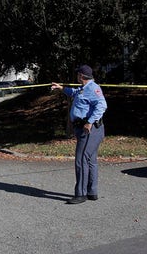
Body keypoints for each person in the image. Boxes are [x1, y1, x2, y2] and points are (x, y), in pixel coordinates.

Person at [51, 65, 107, 204]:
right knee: (90, 160)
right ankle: (91, 192)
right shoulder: (83, 89)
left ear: (81, 76)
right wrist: (61, 88)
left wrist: (89, 122)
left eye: (77, 75)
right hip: (85, 129)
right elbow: (74, 93)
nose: (76, 77)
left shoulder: (93, 88)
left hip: (89, 129)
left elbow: (102, 105)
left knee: (81, 160)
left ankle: (80, 194)